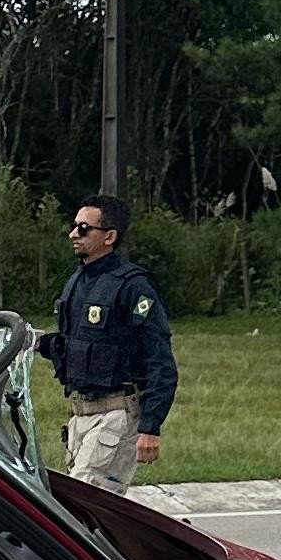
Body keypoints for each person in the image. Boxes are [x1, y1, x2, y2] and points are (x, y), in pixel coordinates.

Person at [44, 193, 177, 491]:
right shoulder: (77, 282)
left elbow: (160, 360)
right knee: (82, 511)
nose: (73, 234)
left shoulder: (134, 287)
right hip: (80, 417)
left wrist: (150, 427)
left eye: (83, 228)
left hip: (116, 417)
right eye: (74, 226)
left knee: (83, 507)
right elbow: (73, 345)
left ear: (109, 236)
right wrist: (39, 344)